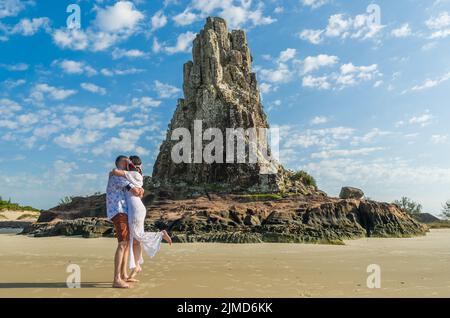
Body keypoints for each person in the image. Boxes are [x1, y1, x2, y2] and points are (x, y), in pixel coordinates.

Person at [110, 155, 172, 279]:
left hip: (135, 209)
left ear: (130, 165)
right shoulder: (136, 176)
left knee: (137, 236)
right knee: (135, 241)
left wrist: (126, 166)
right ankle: (137, 266)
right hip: (136, 208)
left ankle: (161, 234)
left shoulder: (132, 174)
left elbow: (114, 172)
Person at [106, 155, 144, 289]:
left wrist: (140, 189)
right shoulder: (117, 175)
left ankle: (123, 275)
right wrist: (138, 189)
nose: (129, 163)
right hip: (118, 211)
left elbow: (138, 190)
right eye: (126, 161)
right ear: (120, 163)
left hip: (124, 211)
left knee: (126, 244)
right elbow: (134, 189)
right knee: (122, 244)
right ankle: (117, 279)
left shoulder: (124, 176)